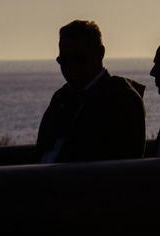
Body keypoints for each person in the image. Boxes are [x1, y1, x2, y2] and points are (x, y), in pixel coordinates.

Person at [35, 19, 147, 163]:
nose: (70, 67)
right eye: (63, 60)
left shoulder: (121, 98)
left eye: (79, 59)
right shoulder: (61, 97)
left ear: (100, 54)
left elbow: (126, 160)